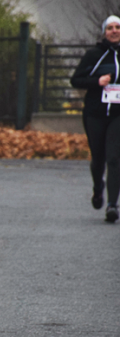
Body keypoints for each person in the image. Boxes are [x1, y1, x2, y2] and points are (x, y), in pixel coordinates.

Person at [71, 15, 120, 223]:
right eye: (110, 28)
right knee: (98, 158)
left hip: (117, 115)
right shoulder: (94, 55)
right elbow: (76, 80)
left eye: (118, 27)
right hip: (95, 114)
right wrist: (96, 81)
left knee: (114, 159)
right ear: (104, 32)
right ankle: (98, 187)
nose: (115, 31)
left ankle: (112, 205)